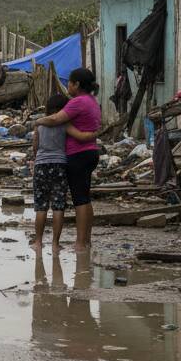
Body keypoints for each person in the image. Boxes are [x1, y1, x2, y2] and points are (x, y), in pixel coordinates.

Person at [35, 68, 101, 249]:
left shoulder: (77, 102)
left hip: (77, 155)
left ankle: (80, 243)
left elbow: (56, 119)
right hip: (91, 153)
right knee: (85, 197)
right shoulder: (92, 101)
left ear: (77, 84)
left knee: (79, 199)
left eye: (70, 83)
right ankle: (87, 239)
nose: (67, 86)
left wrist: (38, 121)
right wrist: (93, 136)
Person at [30, 93, 71, 248]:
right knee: (58, 206)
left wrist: (38, 159)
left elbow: (35, 146)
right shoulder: (66, 124)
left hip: (41, 165)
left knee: (41, 206)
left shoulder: (40, 125)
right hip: (60, 165)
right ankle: (55, 243)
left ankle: (38, 242)